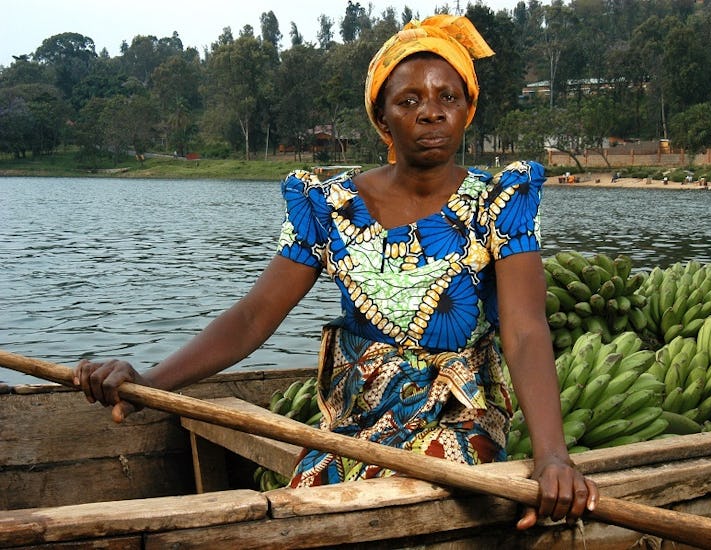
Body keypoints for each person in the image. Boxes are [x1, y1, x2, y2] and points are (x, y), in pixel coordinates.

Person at [73, 15, 598, 528]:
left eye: (447, 97)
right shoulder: (333, 205)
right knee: (307, 506)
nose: (431, 112)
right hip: (354, 420)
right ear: (382, 117)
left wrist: (553, 456)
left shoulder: (496, 204)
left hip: (457, 417)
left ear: (467, 109)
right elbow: (256, 315)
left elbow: (526, 330)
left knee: (411, 501)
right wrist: (151, 382)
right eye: (409, 100)